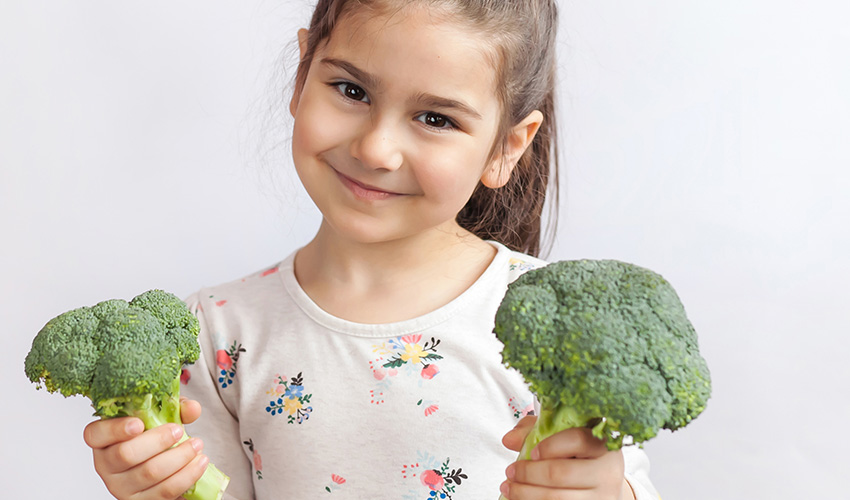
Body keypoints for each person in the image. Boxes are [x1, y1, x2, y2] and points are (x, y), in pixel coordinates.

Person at [83, 1, 660, 499]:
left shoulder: (556, 328)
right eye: (351, 90)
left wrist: (608, 489)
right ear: (301, 73)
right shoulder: (216, 332)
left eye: (436, 118)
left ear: (507, 148)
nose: (377, 149)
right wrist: (156, 484)